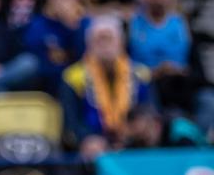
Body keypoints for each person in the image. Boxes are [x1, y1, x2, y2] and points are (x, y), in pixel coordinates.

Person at [59, 15, 152, 159]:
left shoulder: (140, 74)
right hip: (93, 144)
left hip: (133, 142)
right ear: (88, 44)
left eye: (109, 38)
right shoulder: (73, 77)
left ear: (121, 42)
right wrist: (86, 138)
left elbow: (150, 110)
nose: (104, 44)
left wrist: (137, 129)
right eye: (99, 39)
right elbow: (71, 121)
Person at [23, 0, 88, 93]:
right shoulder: (35, 24)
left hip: (76, 94)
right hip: (41, 92)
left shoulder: (87, 25)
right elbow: (32, 64)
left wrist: (72, 27)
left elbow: (88, 61)